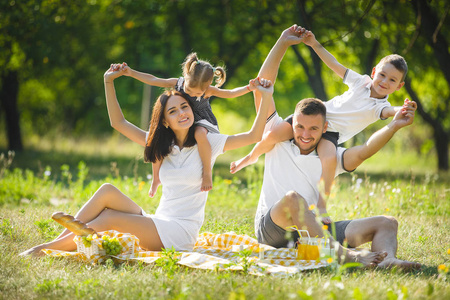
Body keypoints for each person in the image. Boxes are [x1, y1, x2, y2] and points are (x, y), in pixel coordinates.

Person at [19, 64, 273, 257]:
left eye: (184, 107)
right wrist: (108, 82)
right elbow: (118, 123)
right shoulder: (163, 146)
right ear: (165, 121)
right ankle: (66, 239)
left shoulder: (209, 142)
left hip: (179, 233)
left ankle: (45, 249)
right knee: (106, 191)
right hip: (159, 219)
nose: (181, 113)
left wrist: (265, 95)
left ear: (192, 108)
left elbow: (253, 135)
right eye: (172, 111)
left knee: (109, 219)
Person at [238, 25, 421, 269]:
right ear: (292, 122)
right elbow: (263, 87)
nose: (304, 134)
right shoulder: (278, 138)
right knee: (293, 198)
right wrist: (282, 42)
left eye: (313, 129)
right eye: (299, 126)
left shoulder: (331, 154)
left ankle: (387, 261)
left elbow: (365, 149)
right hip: (274, 230)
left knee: (388, 222)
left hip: (314, 235)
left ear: (325, 128)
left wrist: (396, 123)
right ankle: (345, 256)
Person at [231, 28, 410, 201]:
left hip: (331, 134)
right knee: (271, 135)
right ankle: (251, 156)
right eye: (382, 75)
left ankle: (322, 203)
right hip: (315, 116)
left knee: (329, 161)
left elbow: (390, 111)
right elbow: (335, 65)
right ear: (373, 72)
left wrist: (402, 109)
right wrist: (314, 44)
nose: (384, 82)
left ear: (399, 86)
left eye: (392, 80)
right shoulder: (360, 82)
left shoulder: (380, 107)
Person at [115, 53, 256, 197]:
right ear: (186, 77)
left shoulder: (209, 90)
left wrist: (249, 88)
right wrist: (130, 72)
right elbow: (154, 79)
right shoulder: (178, 83)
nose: (193, 94)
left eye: (198, 93)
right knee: (157, 135)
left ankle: (207, 173)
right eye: (189, 90)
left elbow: (230, 93)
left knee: (199, 133)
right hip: (183, 119)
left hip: (202, 122)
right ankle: (156, 177)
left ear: (207, 86)